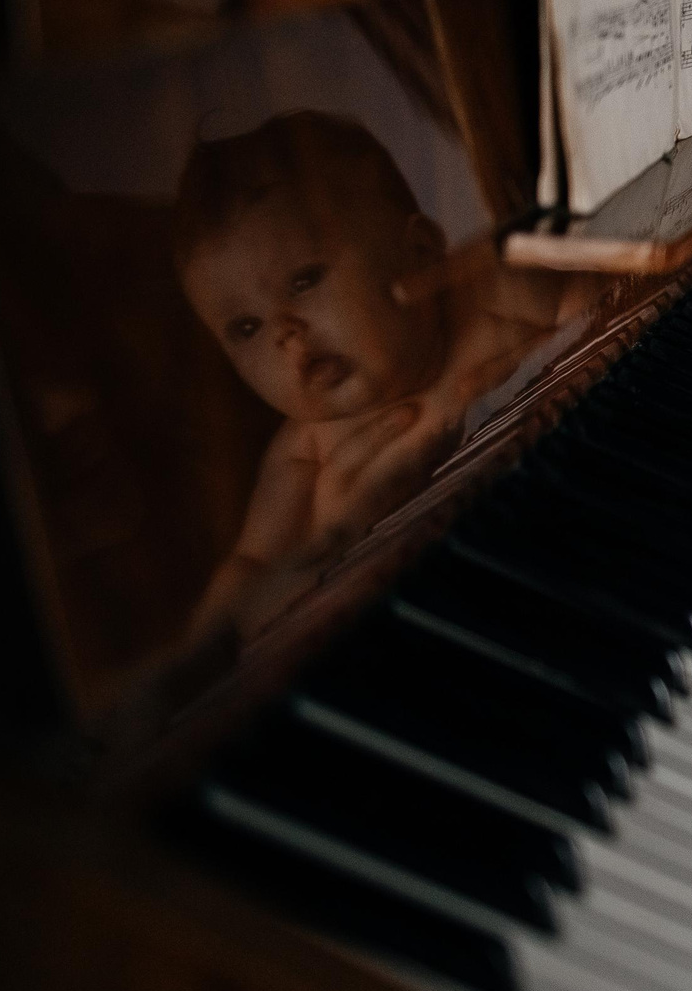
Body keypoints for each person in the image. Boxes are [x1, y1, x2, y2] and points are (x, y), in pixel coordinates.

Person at [173, 110, 585, 639]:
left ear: (418, 253)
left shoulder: (495, 297)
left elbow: (613, 315)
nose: (284, 331)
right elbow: (249, 572)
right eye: (246, 326)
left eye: (304, 280)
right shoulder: (304, 451)